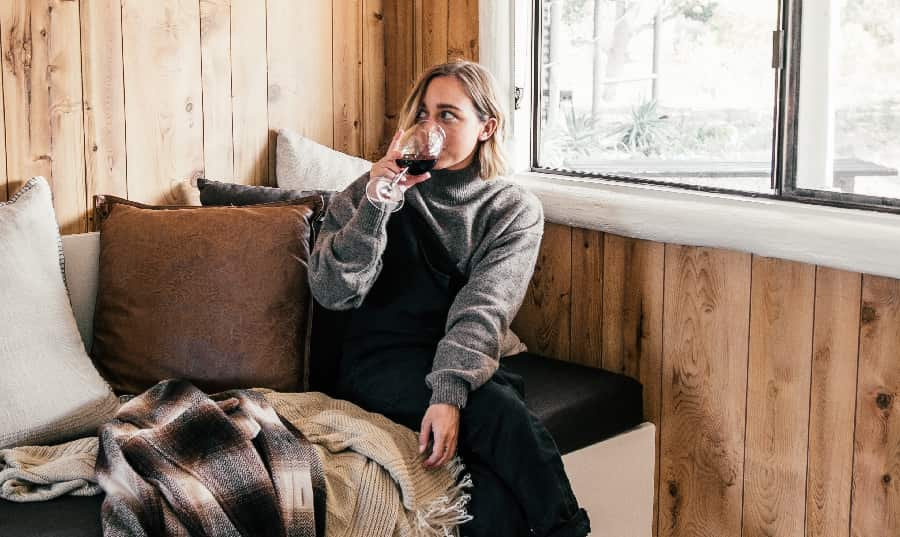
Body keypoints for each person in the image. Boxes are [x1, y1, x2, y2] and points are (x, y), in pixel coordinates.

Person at [308, 60, 590, 537]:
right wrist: (377, 205)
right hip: (377, 363)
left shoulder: (512, 209)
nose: (428, 128)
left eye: (446, 115)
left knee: (494, 496)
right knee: (500, 415)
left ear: (487, 126)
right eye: (421, 114)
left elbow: (485, 309)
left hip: (457, 360)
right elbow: (333, 292)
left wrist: (448, 392)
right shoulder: (373, 188)